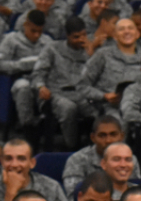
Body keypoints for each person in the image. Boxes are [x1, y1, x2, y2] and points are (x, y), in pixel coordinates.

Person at [27, 17, 93, 148]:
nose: (81, 39)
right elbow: (38, 73)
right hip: (56, 93)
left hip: (81, 93)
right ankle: (72, 148)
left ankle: (96, 148)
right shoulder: (52, 49)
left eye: (84, 35)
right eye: (76, 37)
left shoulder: (90, 50)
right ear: (67, 36)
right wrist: (41, 86)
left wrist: (91, 55)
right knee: (69, 108)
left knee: (99, 111)